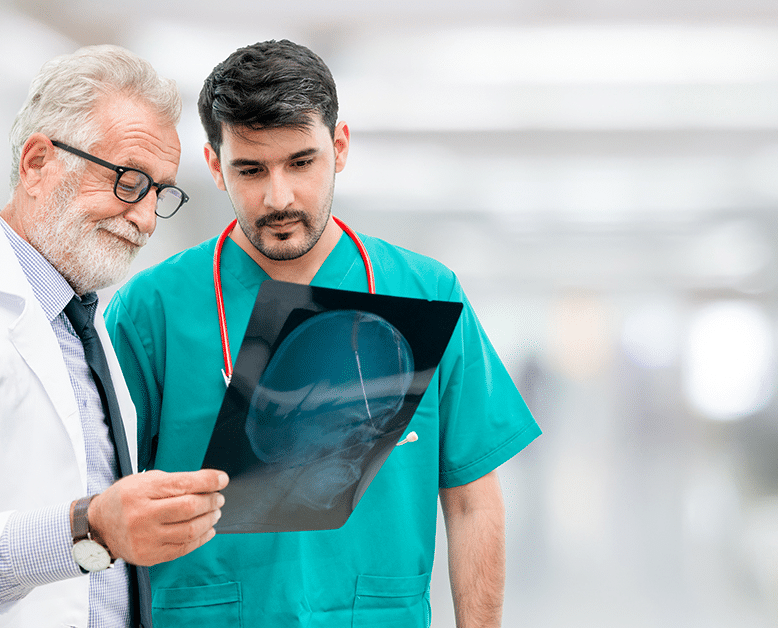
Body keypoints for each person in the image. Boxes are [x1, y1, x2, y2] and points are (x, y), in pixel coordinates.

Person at [104, 39, 541, 627]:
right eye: (250, 170)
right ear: (213, 166)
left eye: (301, 162)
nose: (278, 197)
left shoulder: (425, 293)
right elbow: (105, 505)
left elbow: (470, 500)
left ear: (339, 148)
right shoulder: (152, 310)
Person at [0, 45, 228, 628]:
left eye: (160, 192)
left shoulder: (89, 331)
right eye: (129, 181)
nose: (147, 219)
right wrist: (91, 529)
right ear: (36, 163)